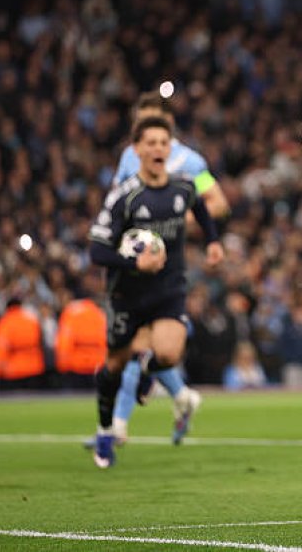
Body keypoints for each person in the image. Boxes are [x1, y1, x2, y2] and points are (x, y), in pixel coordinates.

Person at [88, 115, 224, 468]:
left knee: (169, 352)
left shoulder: (184, 185)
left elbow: (202, 208)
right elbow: (96, 251)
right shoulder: (124, 196)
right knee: (113, 368)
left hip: (169, 290)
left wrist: (212, 241)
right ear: (137, 149)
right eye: (150, 143)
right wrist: (134, 263)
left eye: (163, 142)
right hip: (127, 296)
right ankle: (105, 429)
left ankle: (147, 372)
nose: (158, 148)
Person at [0, 296, 45, 390]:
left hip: (14, 370)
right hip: (34, 367)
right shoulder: (32, 320)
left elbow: (2, 348)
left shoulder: (6, 322)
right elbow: (41, 341)